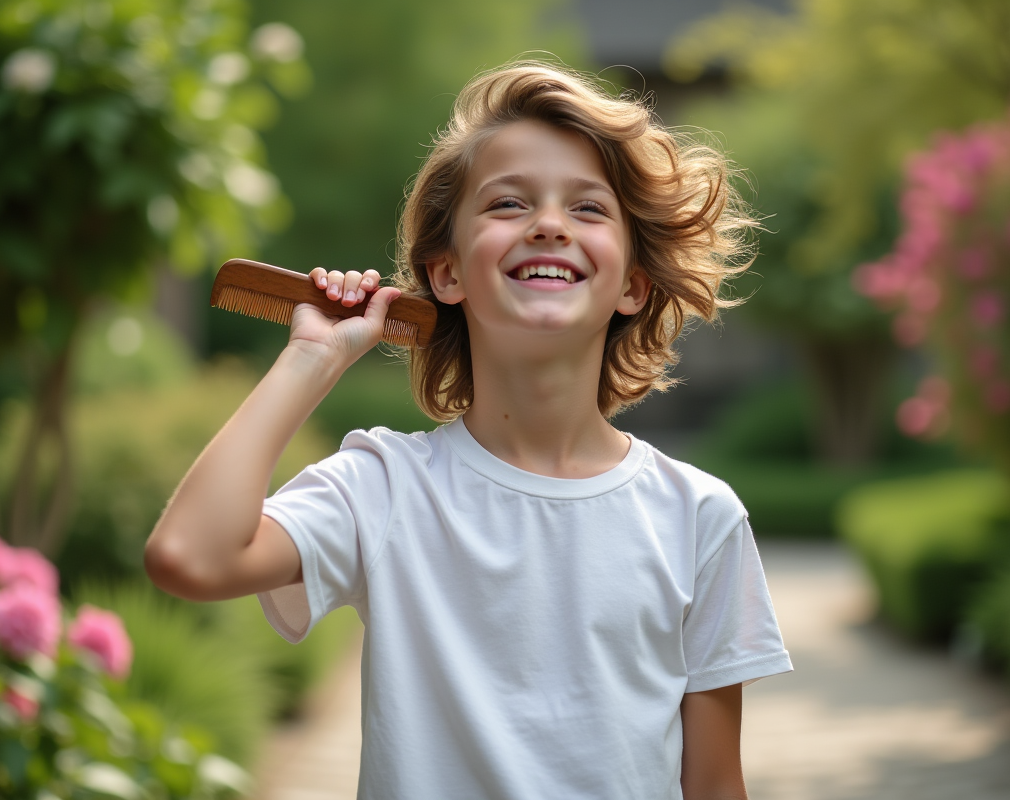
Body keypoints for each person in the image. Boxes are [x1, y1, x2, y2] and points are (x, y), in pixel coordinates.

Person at [145, 60, 792, 799]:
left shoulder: (700, 518)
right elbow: (188, 557)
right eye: (509, 203)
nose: (548, 223)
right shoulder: (382, 489)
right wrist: (309, 360)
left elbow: (714, 784)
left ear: (632, 285)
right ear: (447, 273)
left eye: (587, 209)